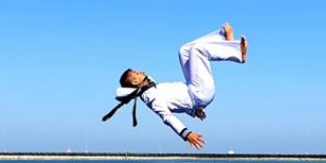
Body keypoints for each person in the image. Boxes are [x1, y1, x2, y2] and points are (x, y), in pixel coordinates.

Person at [103, 22, 248, 150]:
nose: (140, 71)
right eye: (136, 73)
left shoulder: (150, 86)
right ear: (136, 83)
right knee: (197, 50)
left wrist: (193, 112)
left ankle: (223, 38)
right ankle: (236, 52)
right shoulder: (151, 98)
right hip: (200, 93)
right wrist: (186, 134)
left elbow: (176, 101)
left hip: (193, 90)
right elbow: (167, 117)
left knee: (184, 50)